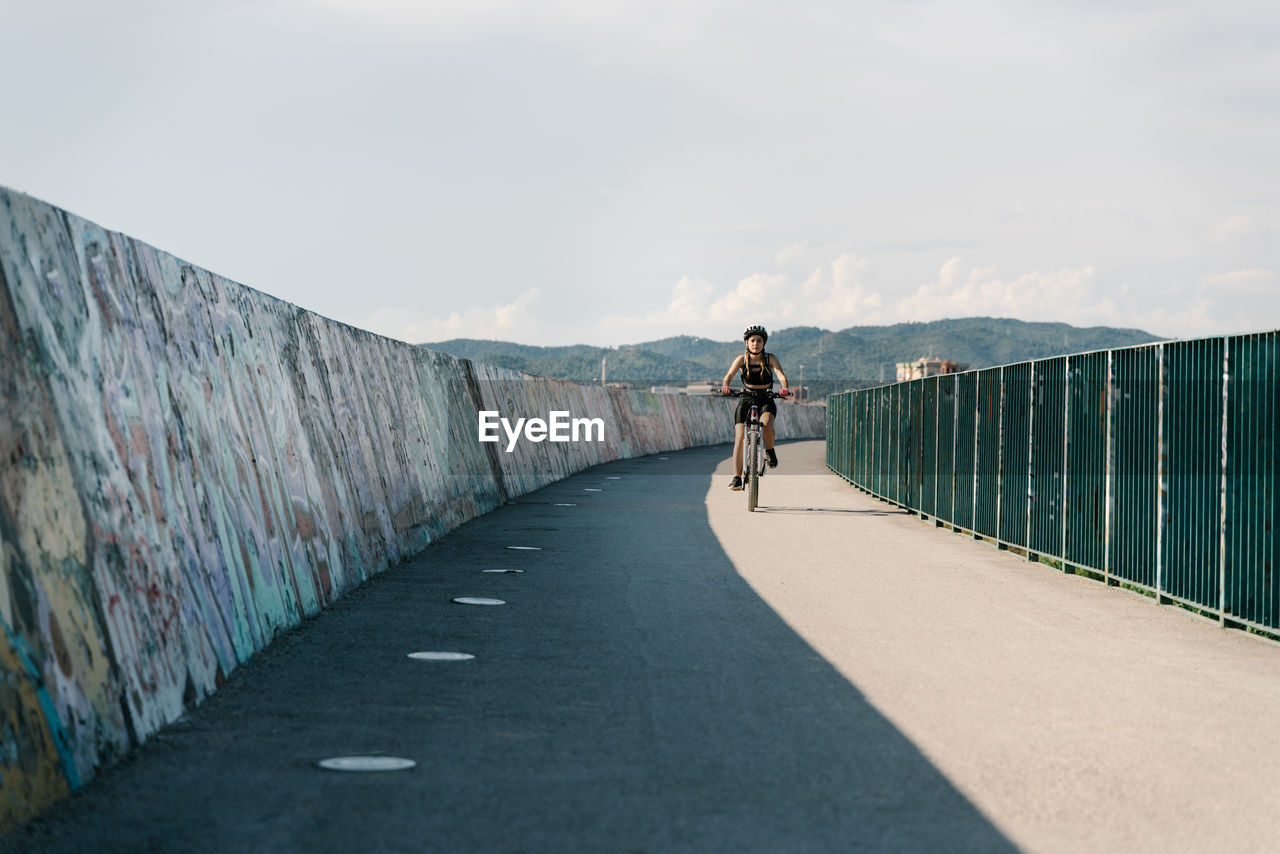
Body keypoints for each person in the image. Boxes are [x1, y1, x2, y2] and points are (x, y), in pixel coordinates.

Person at [720, 325, 790, 490]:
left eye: (759, 340)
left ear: (764, 342)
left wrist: (784, 388)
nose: (756, 343)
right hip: (746, 397)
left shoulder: (769, 358)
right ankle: (737, 477)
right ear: (746, 342)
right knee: (739, 438)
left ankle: (770, 450)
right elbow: (729, 376)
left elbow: (780, 374)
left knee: (766, 426)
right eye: (752, 340)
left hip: (766, 397)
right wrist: (725, 386)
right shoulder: (741, 359)